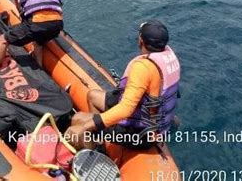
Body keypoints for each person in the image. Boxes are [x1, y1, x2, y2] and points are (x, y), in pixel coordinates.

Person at [65, 21, 180, 150]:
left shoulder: (143, 68)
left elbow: (126, 109)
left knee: (78, 119)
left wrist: (85, 126)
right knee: (93, 96)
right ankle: (100, 138)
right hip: (150, 115)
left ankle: (96, 148)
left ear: (141, 40)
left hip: (142, 132)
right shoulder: (168, 58)